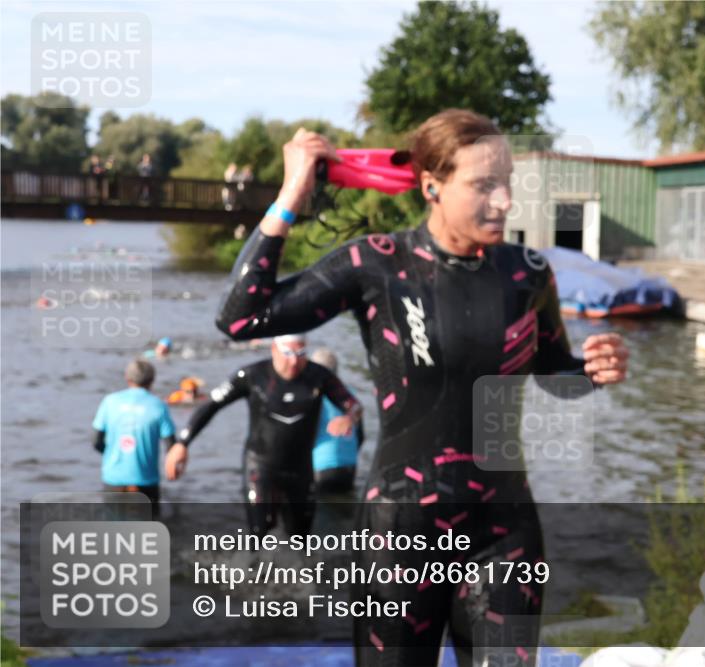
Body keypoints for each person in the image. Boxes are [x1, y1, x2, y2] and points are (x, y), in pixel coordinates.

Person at [212, 109, 629, 667]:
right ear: (431, 185)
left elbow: (552, 369)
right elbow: (241, 318)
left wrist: (591, 373)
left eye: (508, 183)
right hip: (401, 531)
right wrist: (292, 193)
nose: (504, 201)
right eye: (484, 185)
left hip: (503, 531)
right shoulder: (378, 265)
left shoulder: (527, 272)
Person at [166, 335, 361, 539]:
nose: (294, 361)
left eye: (300, 353)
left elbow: (353, 405)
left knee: (300, 543)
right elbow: (212, 404)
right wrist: (182, 443)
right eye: (288, 353)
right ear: (274, 349)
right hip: (260, 468)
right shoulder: (252, 375)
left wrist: (349, 417)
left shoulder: (319, 376)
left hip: (300, 470)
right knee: (259, 538)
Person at [92, 359, 181, 516]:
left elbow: (96, 442)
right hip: (145, 480)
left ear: (127, 377)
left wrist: (112, 454)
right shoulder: (158, 406)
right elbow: (171, 447)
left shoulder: (109, 402)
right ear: (152, 380)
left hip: (113, 478)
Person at [309, 347, 364, 495]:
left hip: (321, 468)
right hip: (349, 467)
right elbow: (361, 436)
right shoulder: (350, 396)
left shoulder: (313, 397)